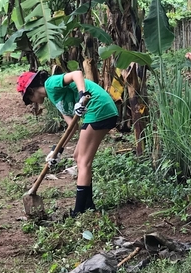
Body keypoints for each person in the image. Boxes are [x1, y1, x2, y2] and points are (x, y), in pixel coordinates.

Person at [16, 69, 118, 217]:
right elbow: (72, 127)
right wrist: (56, 151)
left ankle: (79, 211)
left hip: (98, 108)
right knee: (78, 157)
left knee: (83, 161)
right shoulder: (53, 97)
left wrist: (82, 95)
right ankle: (88, 205)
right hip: (98, 112)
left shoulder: (50, 84)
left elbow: (76, 74)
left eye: (29, 99)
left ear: (31, 91)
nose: (31, 103)